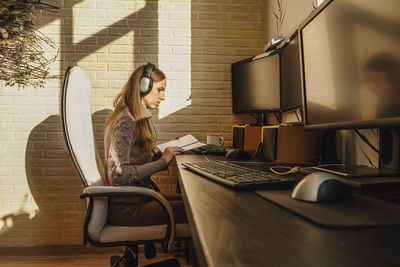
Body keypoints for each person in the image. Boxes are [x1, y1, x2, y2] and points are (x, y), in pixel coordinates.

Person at [104, 63, 186, 227]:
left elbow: (135, 161)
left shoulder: (133, 118)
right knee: (202, 209)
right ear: (143, 87)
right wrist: (163, 162)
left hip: (138, 199)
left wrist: (164, 152)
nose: (163, 97)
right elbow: (119, 176)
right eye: (159, 90)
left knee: (192, 201)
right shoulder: (126, 121)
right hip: (128, 209)